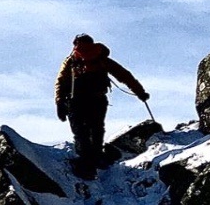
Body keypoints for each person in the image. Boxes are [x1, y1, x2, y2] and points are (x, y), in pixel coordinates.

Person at [55, 34, 149, 178]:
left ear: (75, 44)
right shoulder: (100, 58)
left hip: (76, 101)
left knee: (80, 131)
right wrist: (140, 92)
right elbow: (124, 75)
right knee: (96, 128)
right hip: (97, 100)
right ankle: (97, 157)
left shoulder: (72, 61)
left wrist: (59, 101)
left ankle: (86, 161)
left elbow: (61, 81)